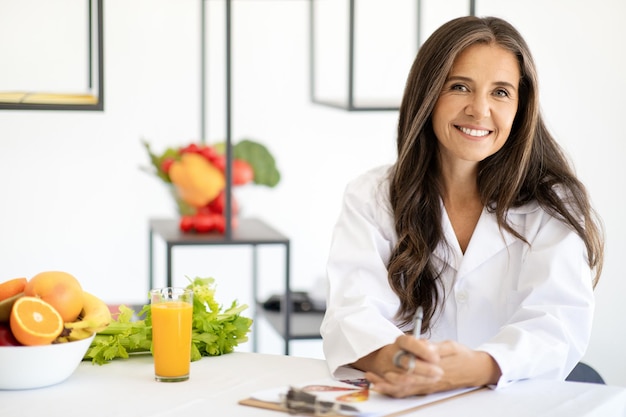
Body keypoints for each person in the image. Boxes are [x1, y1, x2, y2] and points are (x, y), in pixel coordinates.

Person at [320, 15, 604, 398]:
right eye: (459, 87)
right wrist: (402, 363)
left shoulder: (553, 203)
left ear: (521, 107)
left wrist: (476, 367)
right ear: (428, 94)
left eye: (500, 92)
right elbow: (352, 313)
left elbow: (558, 322)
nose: (479, 109)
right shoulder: (372, 195)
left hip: (515, 400)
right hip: (408, 400)